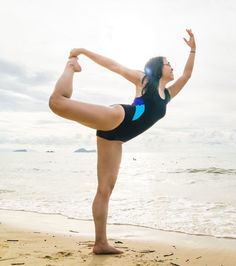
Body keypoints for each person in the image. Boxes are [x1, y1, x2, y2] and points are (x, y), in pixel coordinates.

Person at [49, 29, 196, 254]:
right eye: (168, 63)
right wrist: (83, 52)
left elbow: (186, 75)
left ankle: (100, 243)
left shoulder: (167, 95)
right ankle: (71, 66)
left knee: (104, 190)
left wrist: (193, 50)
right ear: (158, 68)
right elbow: (115, 66)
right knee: (57, 103)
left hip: (117, 139)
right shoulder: (145, 80)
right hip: (118, 117)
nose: (172, 67)